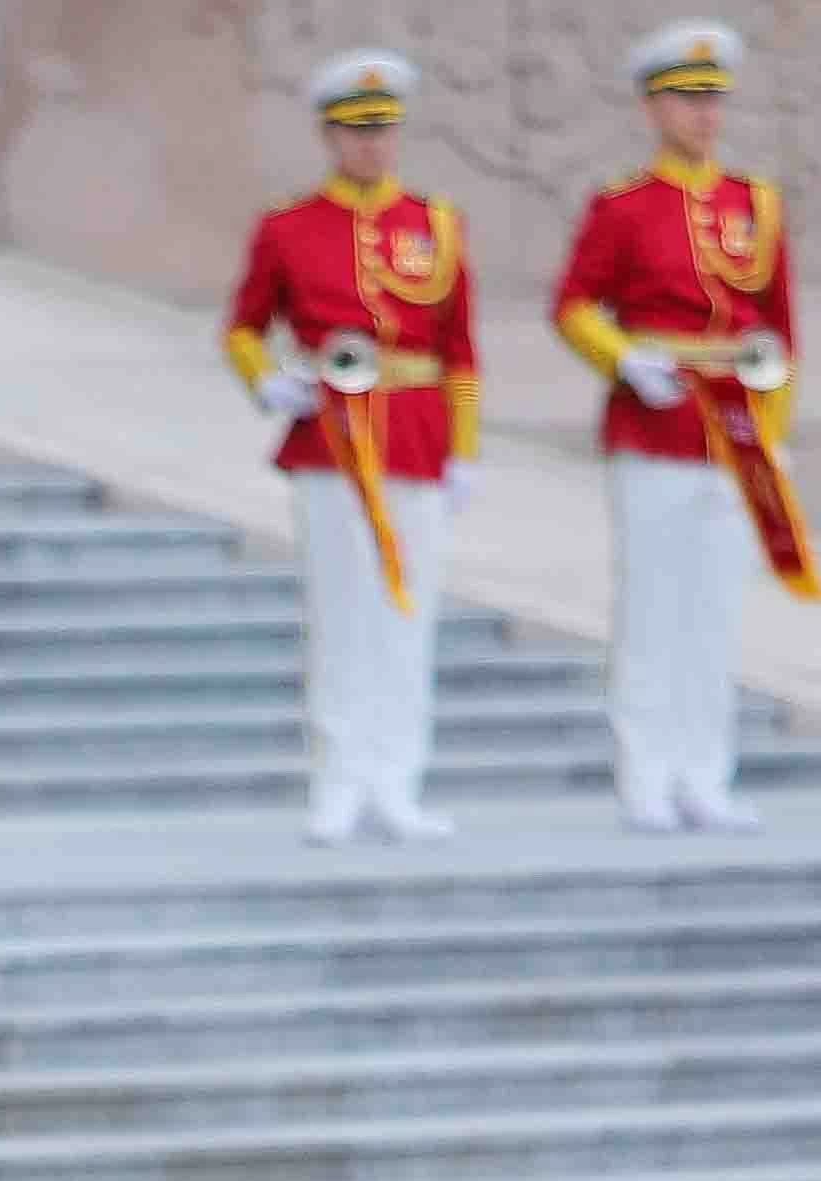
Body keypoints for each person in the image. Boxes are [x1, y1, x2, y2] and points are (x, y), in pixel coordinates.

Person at [224, 48, 481, 845]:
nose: (372, 144)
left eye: (383, 129)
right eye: (356, 130)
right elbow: (242, 328)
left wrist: (463, 449)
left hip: (413, 434)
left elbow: (459, 351)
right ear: (330, 136)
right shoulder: (289, 226)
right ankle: (338, 782)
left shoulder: (433, 226)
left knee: (408, 617)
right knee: (340, 617)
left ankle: (396, 782)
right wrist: (266, 379)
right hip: (331, 438)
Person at [551, 19, 797, 834]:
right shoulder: (624, 208)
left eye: (712, 97)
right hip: (654, 427)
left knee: (715, 613)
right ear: (652, 107)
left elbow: (779, 331)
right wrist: (622, 358)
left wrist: (776, 434)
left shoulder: (756, 206)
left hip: (734, 427)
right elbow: (573, 306)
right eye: (686, 98)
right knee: (652, 611)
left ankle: (705, 773)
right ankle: (646, 772)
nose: (703, 113)